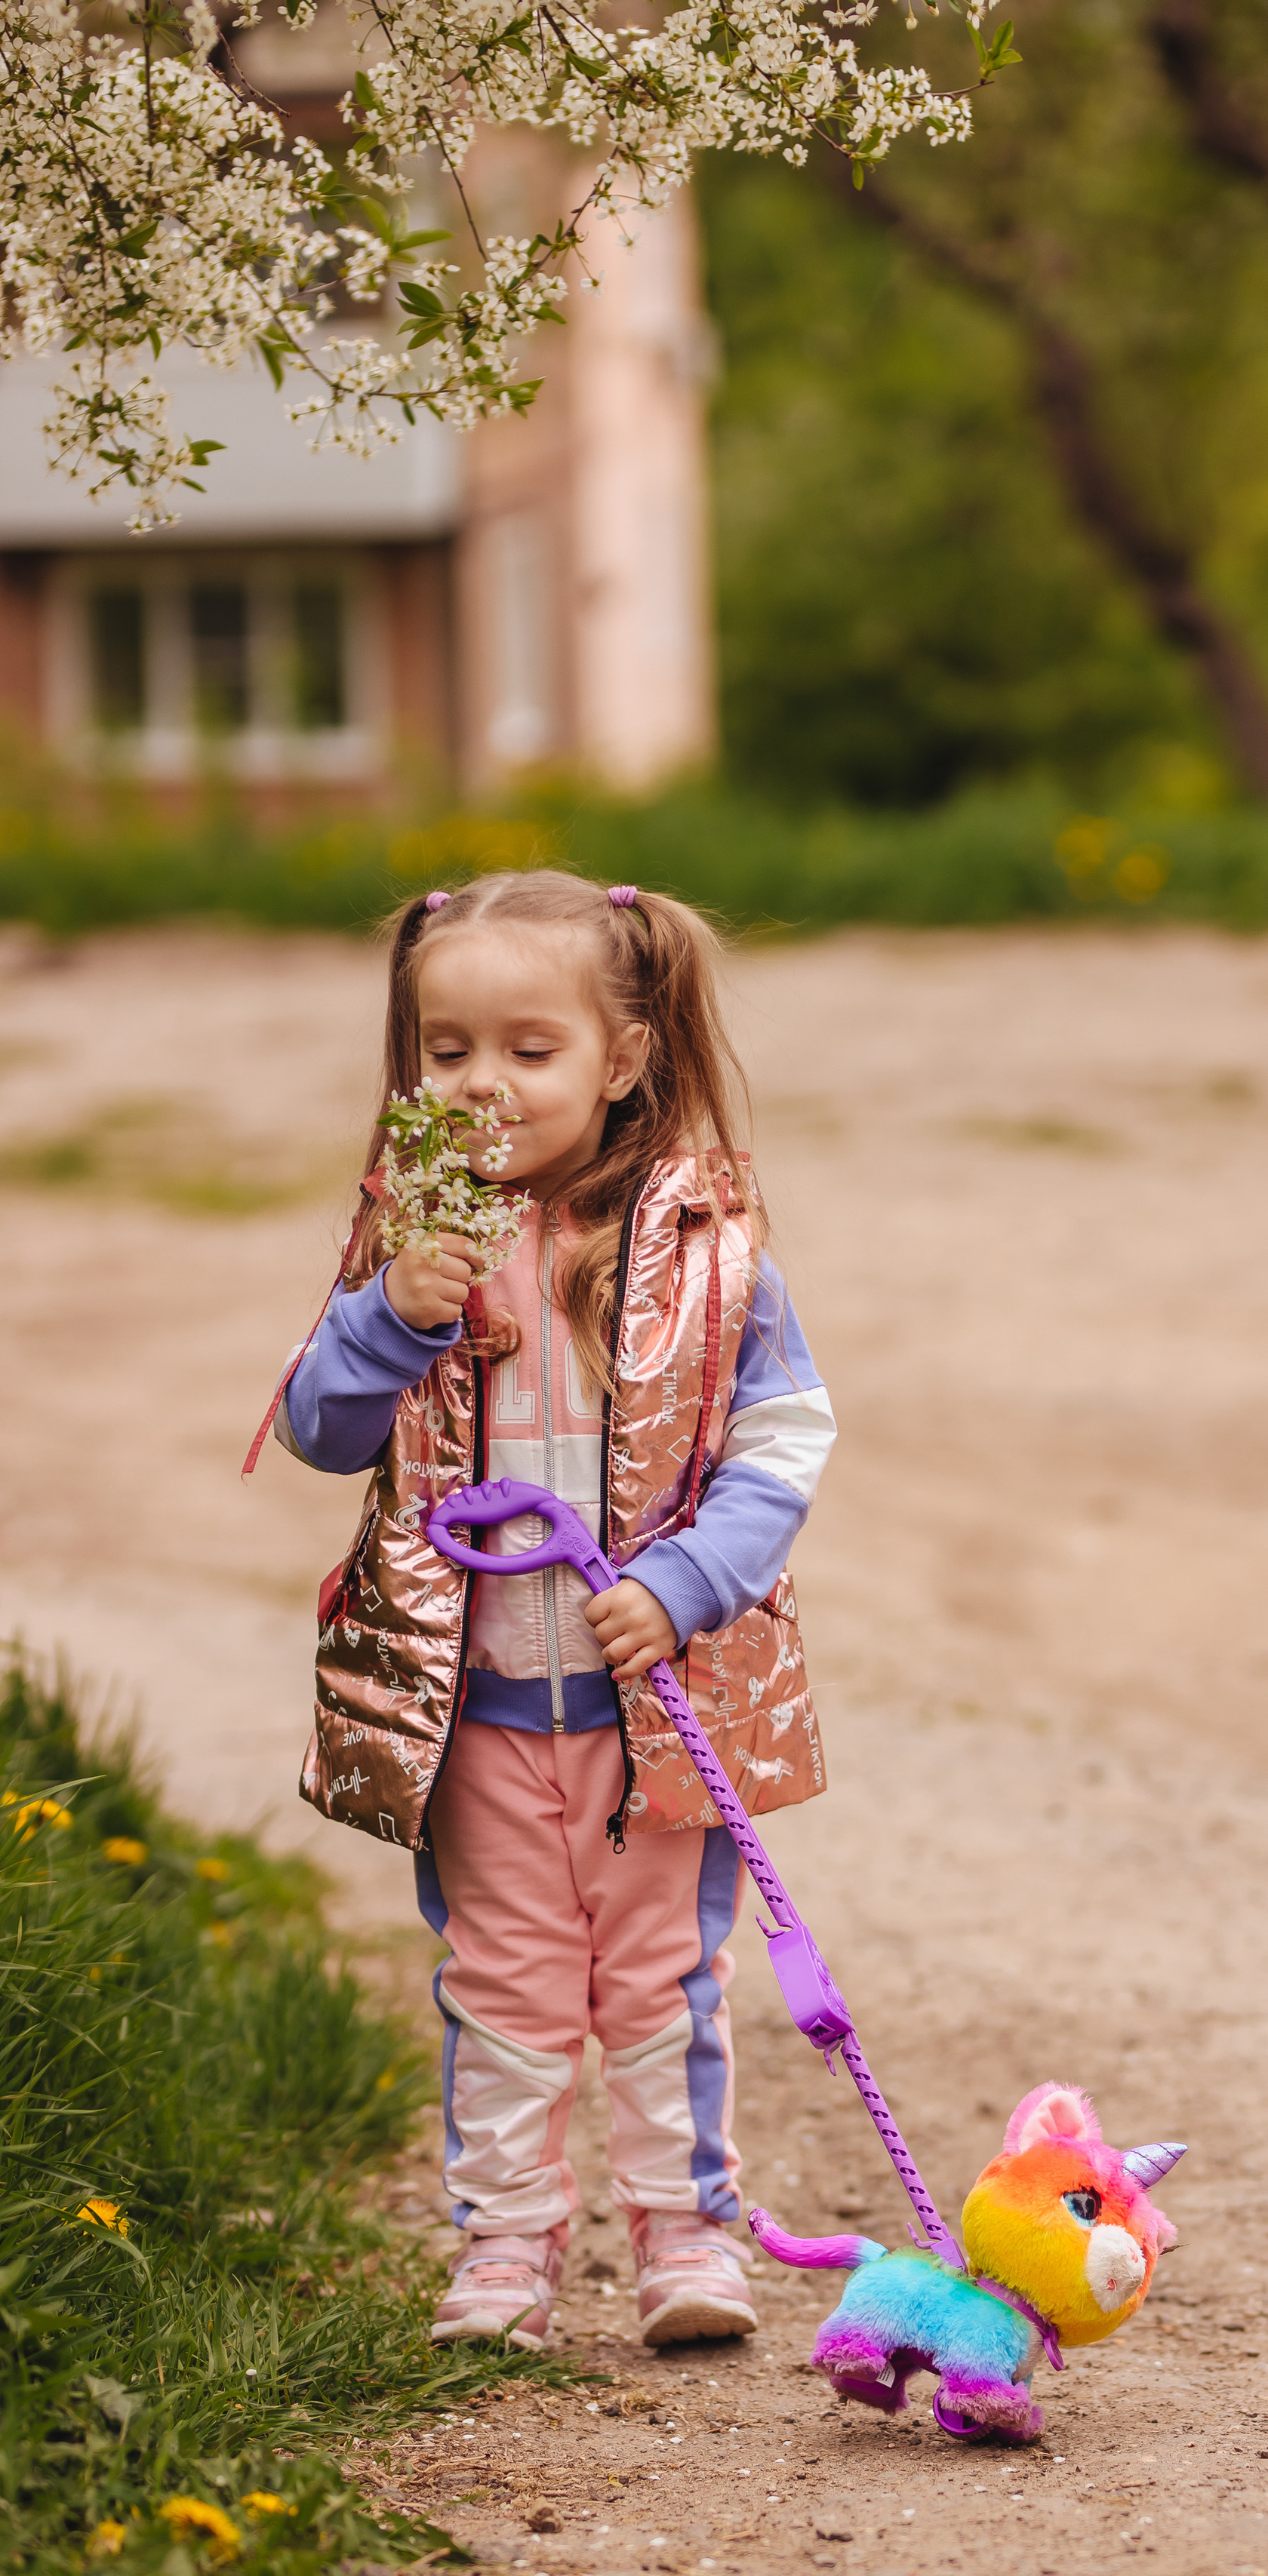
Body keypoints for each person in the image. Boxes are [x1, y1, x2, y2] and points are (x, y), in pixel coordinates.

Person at [264, 870, 835, 2350]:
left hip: (654, 1714)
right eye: (444, 1053)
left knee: (656, 1984)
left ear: (624, 1059)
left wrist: (686, 1579)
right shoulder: (413, 1246)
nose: (481, 1086)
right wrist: (392, 1311)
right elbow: (319, 1431)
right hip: (481, 1714)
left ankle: (682, 2238)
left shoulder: (709, 1255)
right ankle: (506, 2250)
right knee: (508, 1990)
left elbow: (784, 1440)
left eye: (530, 1051)